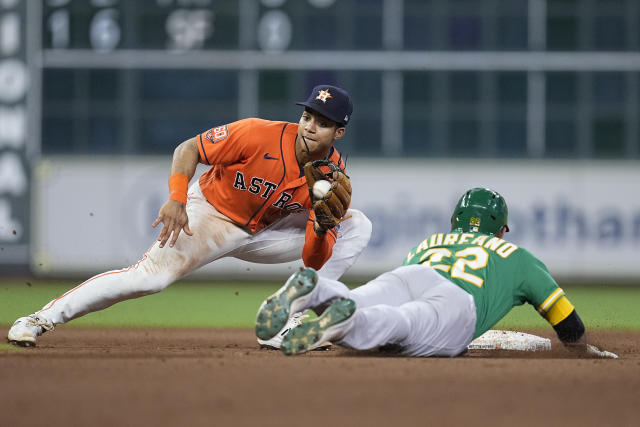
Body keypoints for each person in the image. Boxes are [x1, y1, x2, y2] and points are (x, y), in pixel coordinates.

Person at [7, 84, 372, 348]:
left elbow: (313, 259)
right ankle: (40, 319)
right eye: (308, 115)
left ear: (338, 133)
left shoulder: (332, 177)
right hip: (210, 216)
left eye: (322, 122)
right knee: (147, 280)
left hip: (268, 232)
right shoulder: (256, 133)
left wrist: (323, 228)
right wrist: (178, 198)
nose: (310, 125)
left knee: (356, 224)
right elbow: (189, 149)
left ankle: (288, 316)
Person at [255, 187, 617, 358]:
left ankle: (316, 291)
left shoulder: (429, 242)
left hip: (414, 272)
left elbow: (410, 278)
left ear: (454, 222)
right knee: (404, 323)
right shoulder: (518, 256)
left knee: (365, 297)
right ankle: (343, 323)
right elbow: (569, 325)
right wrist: (583, 351)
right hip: (456, 304)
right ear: (502, 229)